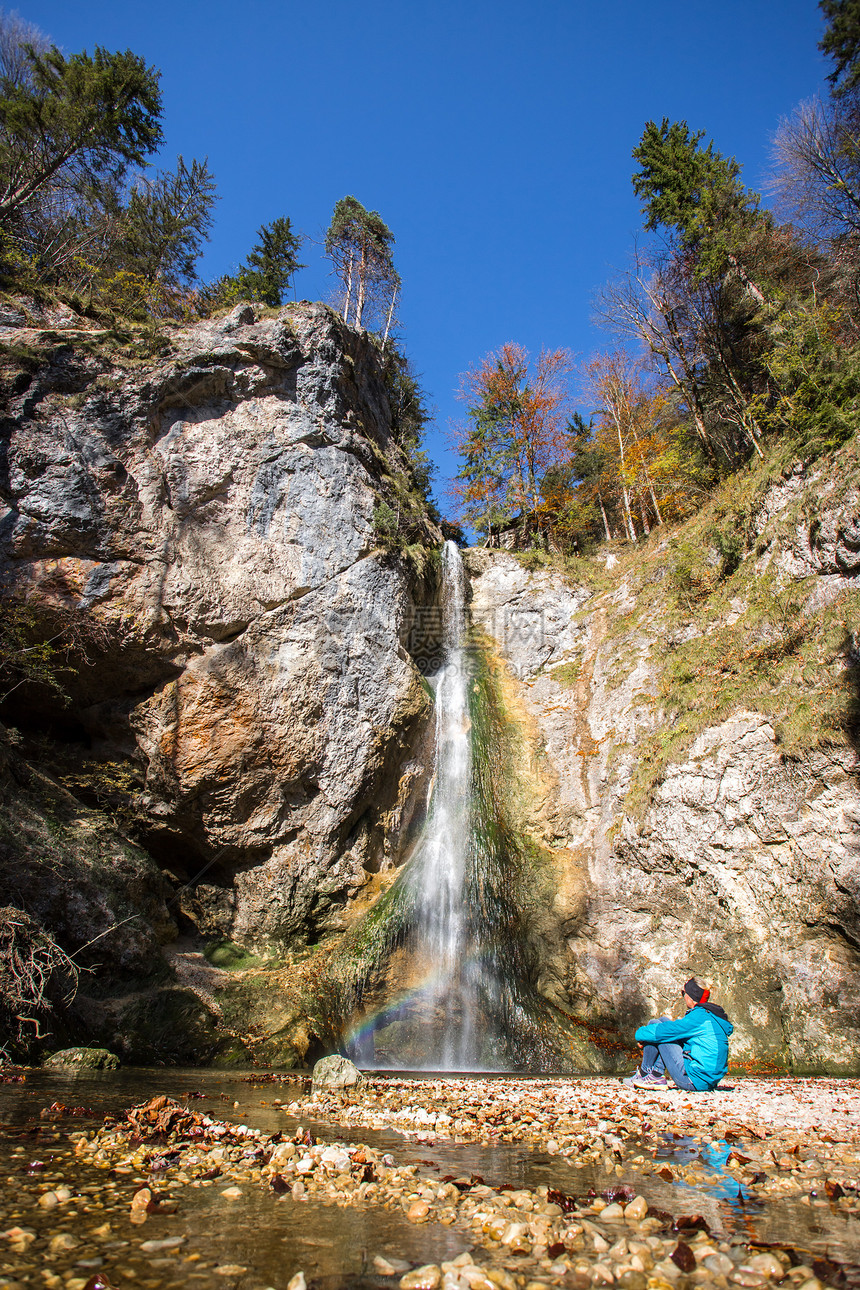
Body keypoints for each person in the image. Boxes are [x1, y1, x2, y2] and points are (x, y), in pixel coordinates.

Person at [623, 977, 733, 1091]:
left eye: (683, 993)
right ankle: (653, 1074)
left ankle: (646, 1073)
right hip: (708, 1080)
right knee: (663, 1021)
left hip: (693, 1081)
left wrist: (639, 1035)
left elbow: (662, 1032)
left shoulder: (698, 1018)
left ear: (691, 997)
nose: (683, 996)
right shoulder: (709, 1016)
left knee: (655, 1025)